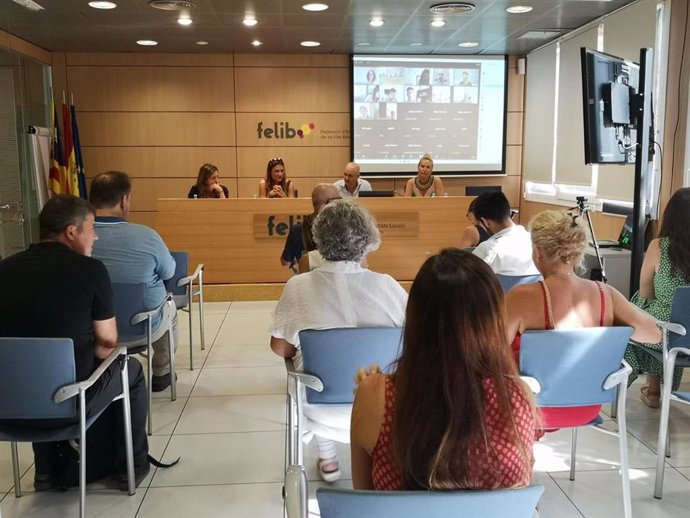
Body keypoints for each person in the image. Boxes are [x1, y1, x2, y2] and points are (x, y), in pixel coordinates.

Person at [350, 248, 535, 490]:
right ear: (493, 320)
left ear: (415, 317)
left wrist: (372, 394)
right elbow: (520, 495)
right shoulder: (517, 395)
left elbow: (364, 500)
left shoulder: (375, 396)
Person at [0, 195, 150, 491]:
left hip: (8, 404)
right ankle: (131, 466)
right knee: (129, 370)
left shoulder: (4, 269)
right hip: (70, 401)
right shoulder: (90, 270)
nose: (95, 237)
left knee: (32, 370)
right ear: (72, 232)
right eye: (92, 228)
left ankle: (44, 471)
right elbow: (107, 343)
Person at [270, 201, 408, 483]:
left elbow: (279, 348)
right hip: (387, 410)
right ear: (366, 240)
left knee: (304, 366)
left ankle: (327, 455)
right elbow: (415, 339)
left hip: (320, 411)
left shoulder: (298, 286)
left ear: (319, 240)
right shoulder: (388, 286)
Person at [505, 210, 661, 427]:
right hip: (588, 407)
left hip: (529, 408)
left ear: (537, 252)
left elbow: (488, 350)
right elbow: (654, 335)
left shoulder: (521, 297)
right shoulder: (606, 294)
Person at [89, 171, 178, 393]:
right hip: (143, 325)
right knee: (170, 307)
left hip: (93, 329)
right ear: (124, 201)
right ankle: (162, 371)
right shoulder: (147, 236)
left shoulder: (77, 236)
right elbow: (169, 271)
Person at [624, 188, 690, 407]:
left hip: (669, 334)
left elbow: (645, 291)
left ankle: (652, 390)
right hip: (685, 332)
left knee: (641, 308)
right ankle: (656, 388)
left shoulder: (659, 246)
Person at [471, 191, 539, 275]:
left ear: (486, 222)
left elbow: (467, 281)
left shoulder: (487, 249)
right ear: (509, 212)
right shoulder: (535, 242)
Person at [280, 183, 340, 269]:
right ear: (324, 205)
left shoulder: (297, 230)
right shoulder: (342, 229)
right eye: (337, 199)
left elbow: (286, 262)